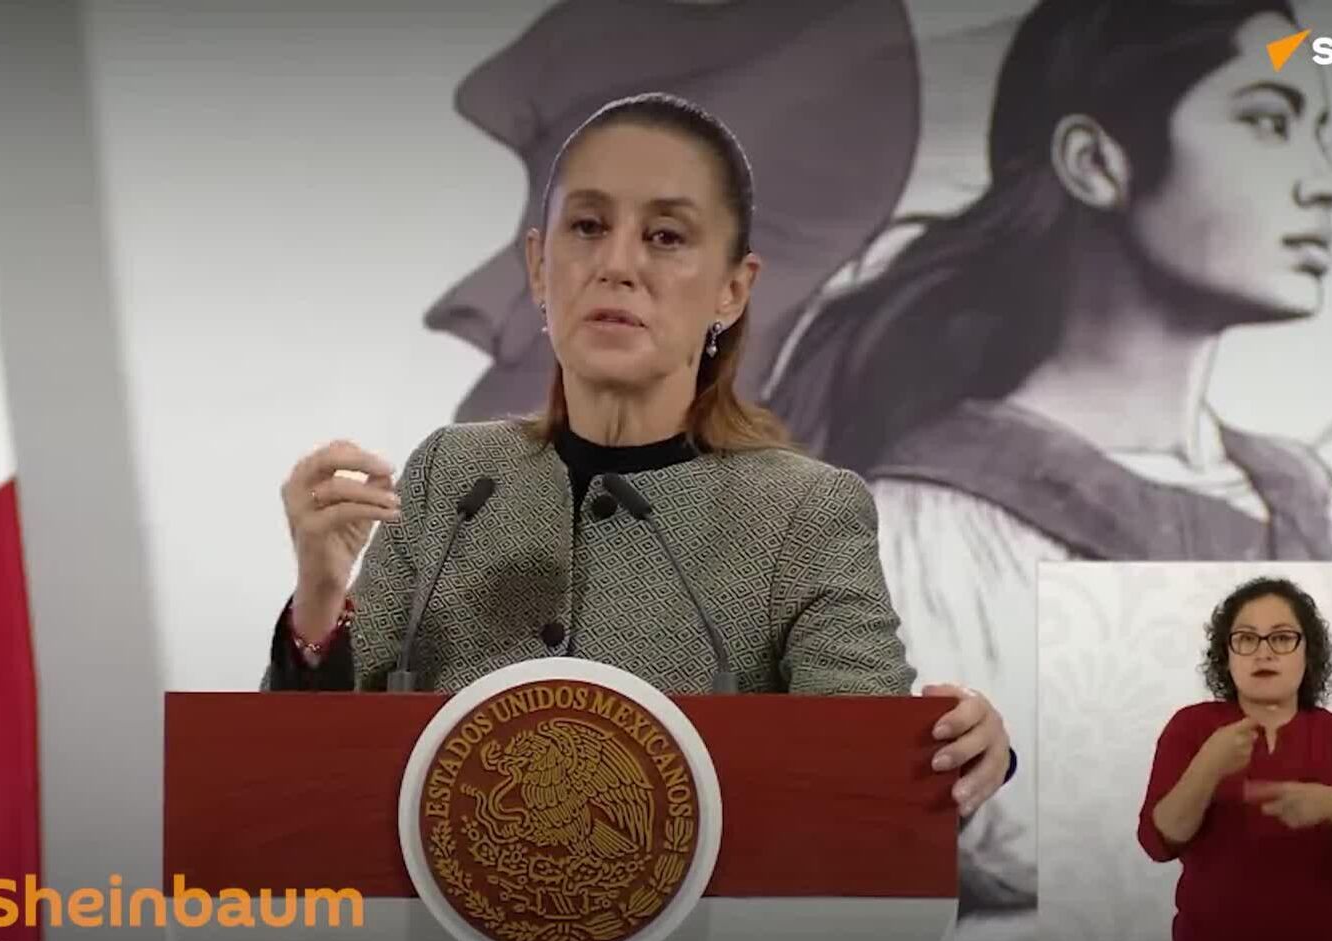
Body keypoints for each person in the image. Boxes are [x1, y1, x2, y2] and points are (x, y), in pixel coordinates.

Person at [763, 0, 1332, 941]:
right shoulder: (916, 537)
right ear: (1096, 162)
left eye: (1318, 130)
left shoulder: (1316, 513)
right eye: (1268, 120)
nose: (1322, 180)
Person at [264, 91, 1015, 818]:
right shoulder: (451, 479)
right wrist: (320, 602)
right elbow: (307, 780)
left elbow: (869, 791)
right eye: (588, 226)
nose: (617, 264)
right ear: (539, 266)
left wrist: (959, 750)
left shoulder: (802, 514)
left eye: (666, 236)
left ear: (732, 290)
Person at [1139, 577, 1332, 941]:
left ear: (1308, 653)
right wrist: (1208, 766)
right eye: (1246, 639)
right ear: (1226, 655)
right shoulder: (1190, 728)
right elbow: (1157, 843)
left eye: (1282, 638)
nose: (1263, 653)